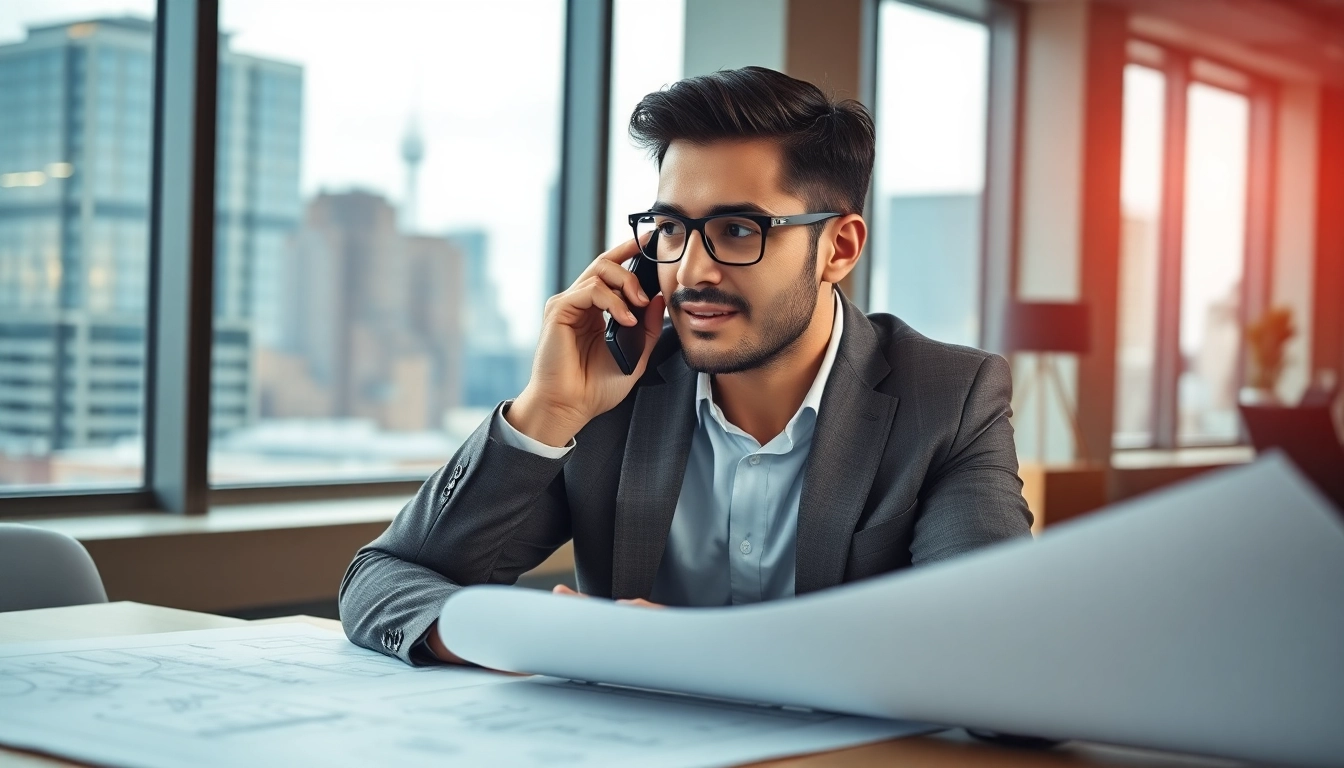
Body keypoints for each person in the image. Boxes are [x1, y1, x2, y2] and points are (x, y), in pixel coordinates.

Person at [340, 66, 1032, 665]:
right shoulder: (615, 390)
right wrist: (547, 413)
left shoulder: (948, 399)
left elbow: (999, 652)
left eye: (738, 230)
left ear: (840, 249)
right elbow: (384, 579)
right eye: (671, 229)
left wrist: (697, 652)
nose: (691, 272)